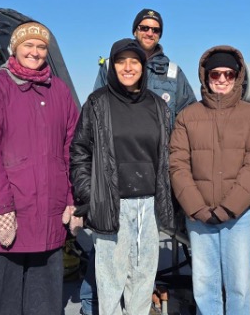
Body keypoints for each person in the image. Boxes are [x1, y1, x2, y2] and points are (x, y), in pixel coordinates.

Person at [83, 8, 196, 314]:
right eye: (143, 27)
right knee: (108, 273)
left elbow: (189, 119)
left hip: (150, 193)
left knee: (143, 273)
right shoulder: (100, 97)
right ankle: (88, 304)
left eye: (155, 29)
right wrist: (87, 196)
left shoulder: (170, 78)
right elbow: (87, 140)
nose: (149, 33)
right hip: (112, 192)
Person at [0, 22, 81, 314]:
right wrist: (3, 209)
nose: (34, 52)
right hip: (9, 216)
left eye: (41, 46)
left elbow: (71, 150)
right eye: (28, 45)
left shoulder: (58, 91)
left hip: (49, 218)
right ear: (15, 49)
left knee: (44, 305)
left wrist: (72, 199)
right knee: (2, 306)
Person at [70, 38, 176, 315]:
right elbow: (80, 151)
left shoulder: (158, 106)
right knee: (110, 281)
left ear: (143, 66)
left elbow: (168, 155)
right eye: (121, 61)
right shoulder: (97, 103)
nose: (128, 67)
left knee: (143, 279)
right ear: (112, 65)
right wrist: (90, 196)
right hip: (111, 203)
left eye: (135, 61)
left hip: (149, 205)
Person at [169, 46, 250, 315]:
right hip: (199, 216)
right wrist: (198, 209)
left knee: (238, 286)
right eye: (216, 74)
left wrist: (229, 208)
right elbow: (178, 165)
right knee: (204, 285)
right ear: (206, 76)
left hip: (239, 217)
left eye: (229, 73)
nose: (222, 79)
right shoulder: (187, 117)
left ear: (238, 77)